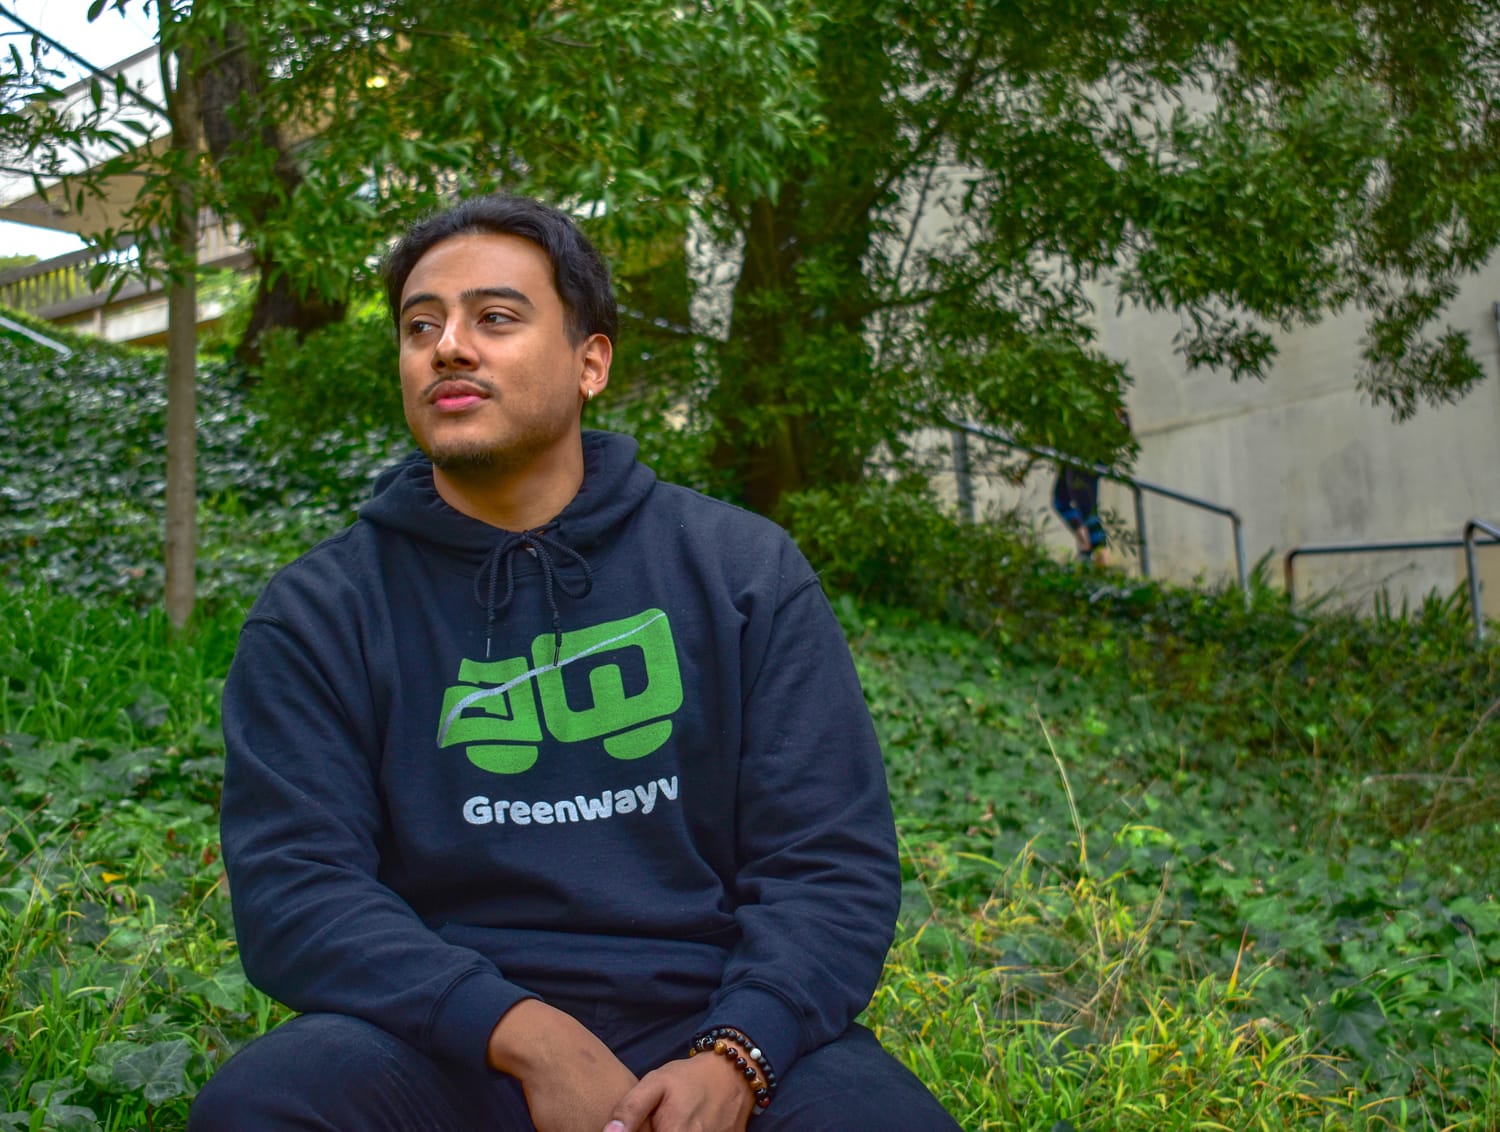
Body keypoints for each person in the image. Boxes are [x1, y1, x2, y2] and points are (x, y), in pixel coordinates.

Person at [189, 193, 961, 1132]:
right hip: (446, 1039)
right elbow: (296, 888)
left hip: (710, 1023)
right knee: (265, 1105)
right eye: (420, 326)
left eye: (495, 318)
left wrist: (740, 1053)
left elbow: (828, 863)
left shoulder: (742, 573)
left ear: (591, 362)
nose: (448, 347)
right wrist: (521, 1034)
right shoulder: (321, 611)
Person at [1051, 463, 1109, 565]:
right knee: (1061, 501)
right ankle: (1086, 545)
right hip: (1071, 458)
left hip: (1085, 460)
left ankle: (1102, 563)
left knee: (1087, 512)